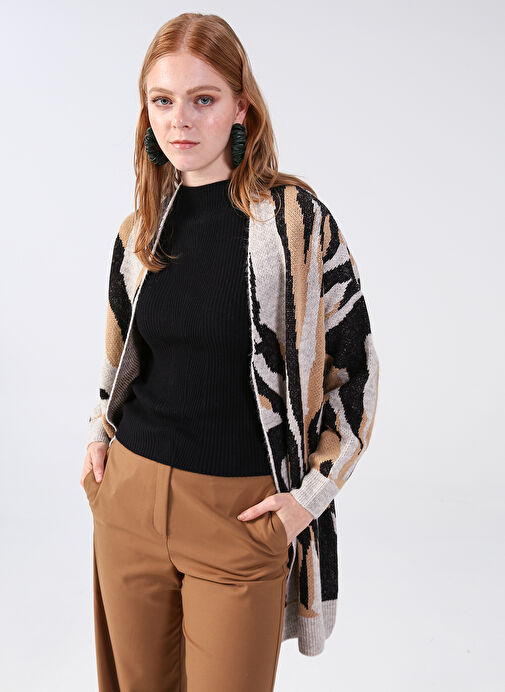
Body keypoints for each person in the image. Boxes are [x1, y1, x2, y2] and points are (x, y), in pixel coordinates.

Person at [80, 12, 379, 692]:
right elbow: (120, 360)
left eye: (203, 99)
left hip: (240, 517)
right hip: (129, 501)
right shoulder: (139, 230)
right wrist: (99, 436)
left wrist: (309, 498)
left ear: (241, 107)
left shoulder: (295, 223)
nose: (179, 120)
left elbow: (355, 372)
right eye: (162, 101)